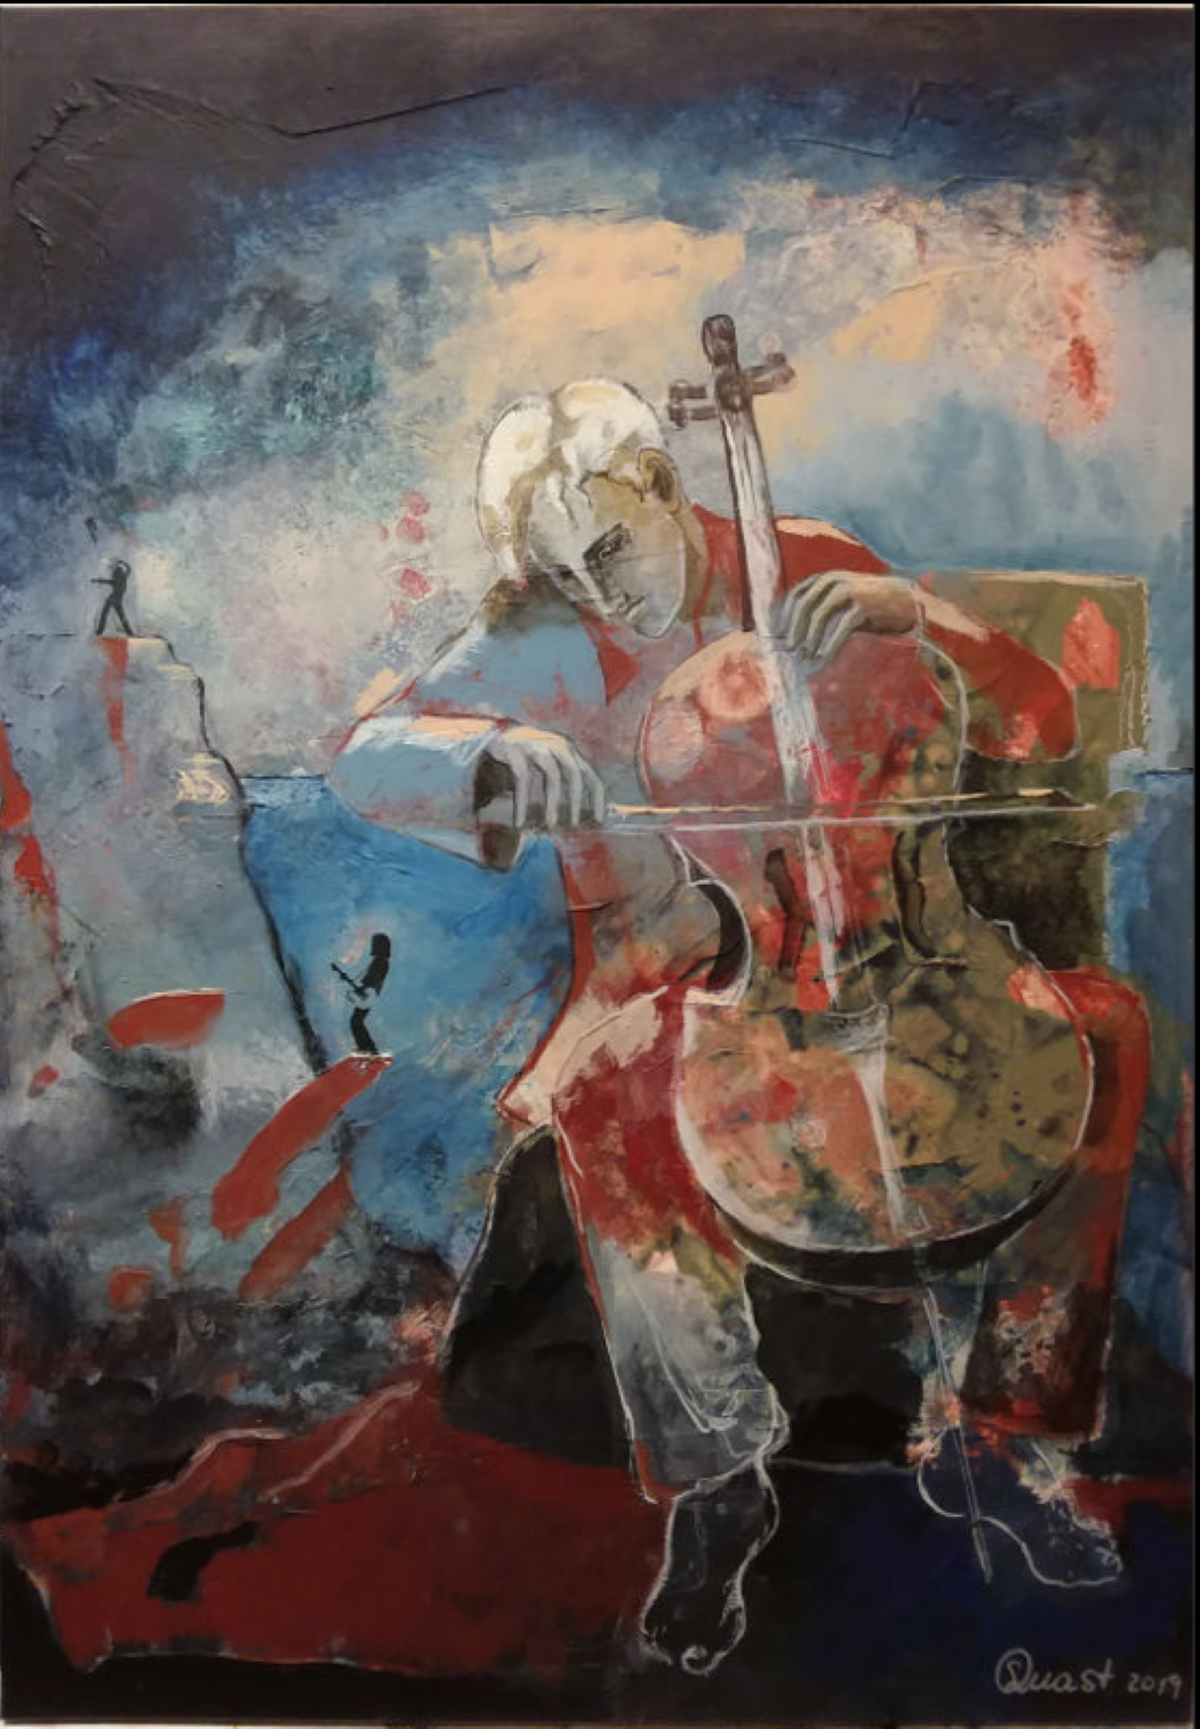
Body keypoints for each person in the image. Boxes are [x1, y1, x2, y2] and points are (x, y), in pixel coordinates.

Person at [331, 378, 1135, 1673]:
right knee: (606, 1090)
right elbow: (360, 758)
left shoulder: (798, 559)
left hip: (895, 956)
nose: (599, 594)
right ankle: (717, 1476)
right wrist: (479, 759)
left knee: (1102, 1039)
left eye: (609, 550)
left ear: (661, 486)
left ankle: (1007, 1433)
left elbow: (1041, 716)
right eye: (565, 574)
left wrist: (914, 612)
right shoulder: (544, 631)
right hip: (678, 983)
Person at [93, 558, 135, 636]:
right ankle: (100, 632)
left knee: (118, 616)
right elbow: (107, 581)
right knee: (108, 615)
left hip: (115, 600)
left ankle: (130, 633)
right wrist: (97, 580)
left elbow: (129, 568)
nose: (115, 576)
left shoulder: (122, 577)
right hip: (113, 600)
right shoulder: (120, 578)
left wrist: (123, 562)